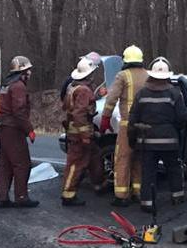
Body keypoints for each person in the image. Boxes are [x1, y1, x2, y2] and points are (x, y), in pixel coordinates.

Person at [129, 57, 187, 212]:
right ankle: (177, 197)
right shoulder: (174, 94)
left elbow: (132, 119)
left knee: (148, 173)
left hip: (147, 142)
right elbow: (182, 118)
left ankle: (147, 203)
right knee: (174, 170)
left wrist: (132, 140)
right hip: (169, 142)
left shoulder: (141, 94)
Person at [100, 45, 148, 207]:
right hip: (145, 126)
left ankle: (121, 195)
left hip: (127, 125)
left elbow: (111, 99)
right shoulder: (148, 75)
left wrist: (105, 119)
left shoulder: (123, 76)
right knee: (138, 159)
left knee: (122, 158)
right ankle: (138, 192)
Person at [0, 56, 39, 209]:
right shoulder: (18, 86)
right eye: (28, 70)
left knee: (5, 164)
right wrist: (29, 130)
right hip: (13, 130)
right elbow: (19, 111)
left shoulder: (6, 84)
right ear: (22, 71)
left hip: (2, 128)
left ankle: (2, 197)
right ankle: (21, 197)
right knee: (22, 164)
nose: (30, 73)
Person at [60, 58, 105, 206]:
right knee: (76, 164)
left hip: (76, 132)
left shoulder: (73, 87)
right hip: (80, 136)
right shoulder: (84, 90)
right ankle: (68, 195)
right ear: (88, 75)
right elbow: (80, 114)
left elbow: (79, 106)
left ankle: (99, 184)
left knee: (95, 156)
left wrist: (98, 96)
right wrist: (85, 135)